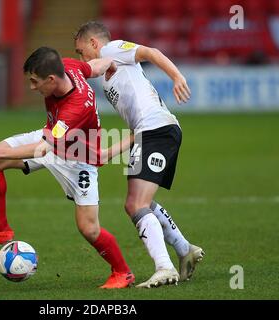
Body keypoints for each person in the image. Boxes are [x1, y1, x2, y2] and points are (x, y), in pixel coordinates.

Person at [0, 46, 135, 289]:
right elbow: (94, 67)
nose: (32, 87)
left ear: (51, 79)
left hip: (78, 160)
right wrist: (110, 63)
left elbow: (44, 147)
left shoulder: (76, 106)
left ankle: (123, 273)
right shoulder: (68, 66)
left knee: (89, 229)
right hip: (52, 138)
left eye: (35, 82)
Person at [74, 21, 205, 288]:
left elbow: (151, 52)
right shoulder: (109, 72)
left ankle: (164, 267)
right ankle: (184, 250)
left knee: (136, 204)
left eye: (80, 51)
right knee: (135, 203)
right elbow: (135, 129)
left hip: (158, 130)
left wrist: (177, 77)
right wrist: (110, 151)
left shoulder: (112, 49)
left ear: (93, 43)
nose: (81, 57)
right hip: (149, 133)